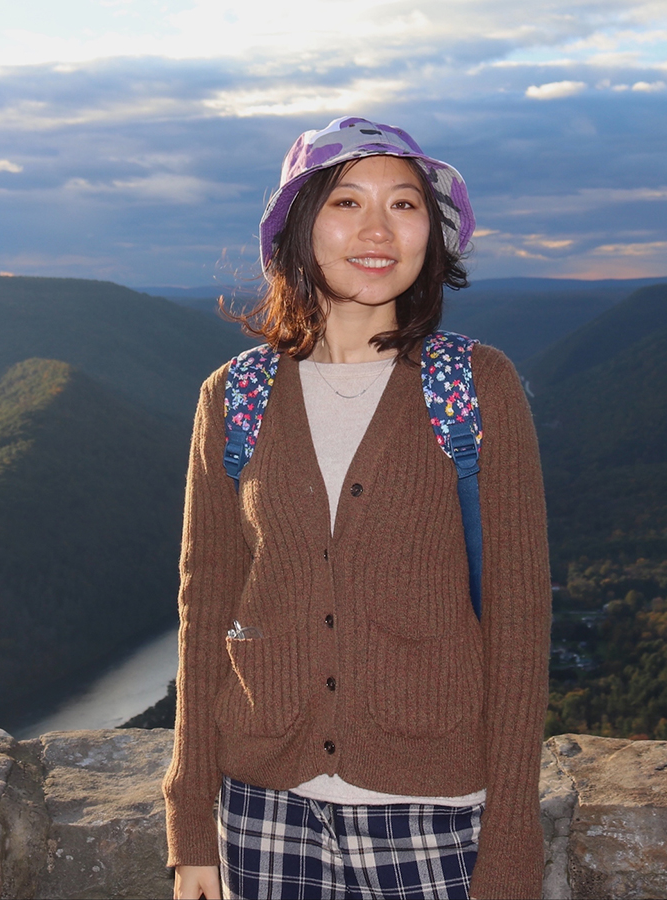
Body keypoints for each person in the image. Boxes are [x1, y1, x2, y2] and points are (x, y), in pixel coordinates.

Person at [163, 116, 551, 900]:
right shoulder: (236, 395)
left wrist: (511, 836)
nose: (378, 229)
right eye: (347, 202)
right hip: (261, 812)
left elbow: (518, 621)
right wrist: (191, 822)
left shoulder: (475, 386)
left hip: (433, 816)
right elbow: (206, 613)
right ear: (301, 230)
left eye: (405, 205)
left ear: (430, 235)